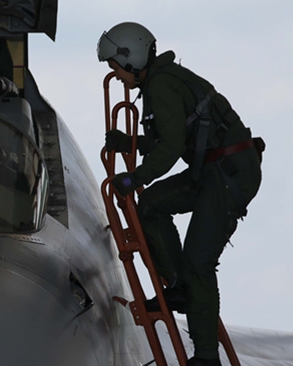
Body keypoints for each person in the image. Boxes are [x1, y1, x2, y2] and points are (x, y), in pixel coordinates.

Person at [97, 22, 262, 366]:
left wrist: (135, 177)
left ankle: (205, 357)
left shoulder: (162, 85)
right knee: (153, 203)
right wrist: (131, 144)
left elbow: (170, 149)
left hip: (229, 175)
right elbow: (167, 141)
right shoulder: (162, 81)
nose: (118, 76)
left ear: (131, 59)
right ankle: (180, 287)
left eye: (116, 67)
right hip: (211, 171)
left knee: (198, 262)